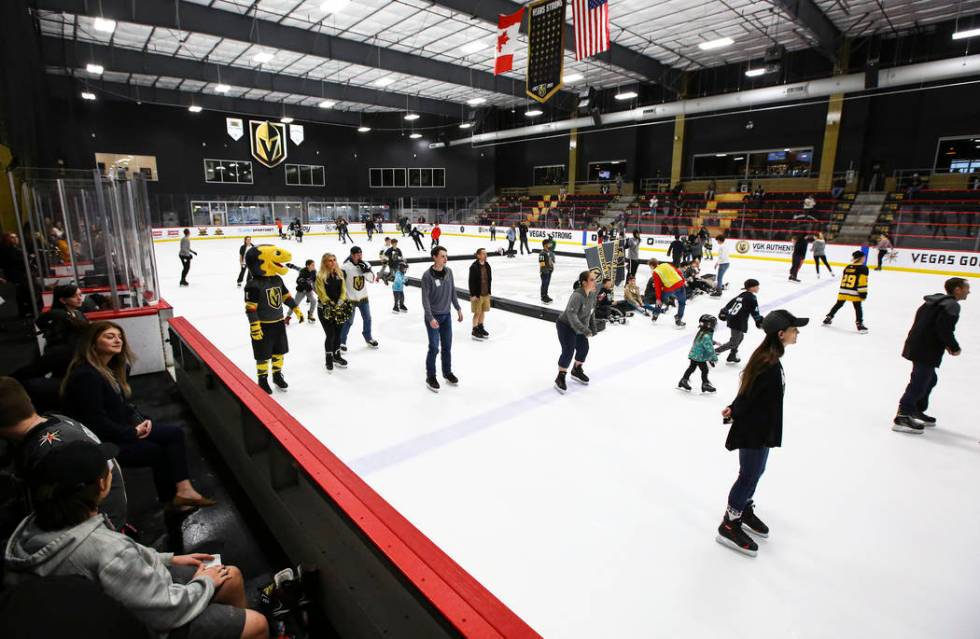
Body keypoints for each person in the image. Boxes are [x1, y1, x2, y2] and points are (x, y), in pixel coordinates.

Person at [4, 441, 269, 639]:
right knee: (258, 624)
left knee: (230, 575)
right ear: (101, 485)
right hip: (149, 623)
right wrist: (204, 583)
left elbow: (121, 564)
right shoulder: (106, 550)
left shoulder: (36, 525)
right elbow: (165, 611)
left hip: (125, 601)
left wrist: (168, 558)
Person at [60, 321, 214, 511]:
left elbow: (121, 407)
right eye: (110, 336)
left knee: (173, 434)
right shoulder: (87, 376)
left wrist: (142, 419)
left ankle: (183, 491)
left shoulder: (110, 369)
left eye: (120, 337)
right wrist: (131, 432)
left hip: (120, 430)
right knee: (157, 451)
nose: (118, 340)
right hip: (104, 442)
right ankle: (172, 500)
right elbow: (95, 422)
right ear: (92, 343)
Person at [717, 309, 808, 557]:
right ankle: (729, 523)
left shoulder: (770, 358)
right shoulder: (767, 362)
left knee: (756, 472)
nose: (797, 333)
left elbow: (749, 391)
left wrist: (735, 407)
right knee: (748, 475)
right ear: (781, 334)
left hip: (762, 427)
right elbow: (748, 394)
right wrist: (735, 410)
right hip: (753, 429)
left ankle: (744, 508)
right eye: (794, 329)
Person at [0, 376, 127, 532]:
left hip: (96, 532)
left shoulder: (48, 456)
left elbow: (55, 514)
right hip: (104, 521)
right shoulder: (57, 419)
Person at [893, 277, 969, 434]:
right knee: (920, 381)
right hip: (927, 348)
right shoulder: (952, 305)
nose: (969, 291)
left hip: (916, 344)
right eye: (966, 288)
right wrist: (953, 347)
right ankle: (903, 415)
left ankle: (914, 409)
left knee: (930, 379)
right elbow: (944, 329)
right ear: (957, 289)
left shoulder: (934, 301)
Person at [243, 244, 304, 393]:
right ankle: (262, 379)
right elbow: (251, 309)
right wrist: (255, 326)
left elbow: (285, 296)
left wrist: (296, 308)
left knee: (279, 351)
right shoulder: (253, 285)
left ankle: (277, 375)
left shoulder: (277, 279)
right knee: (263, 354)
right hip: (263, 325)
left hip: (278, 323)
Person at [421, 246, 463, 393]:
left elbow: (453, 291)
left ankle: (447, 372)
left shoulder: (449, 272)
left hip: (447, 316)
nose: (446, 259)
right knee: (434, 347)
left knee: (447, 347)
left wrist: (458, 308)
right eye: (442, 256)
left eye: (446, 256)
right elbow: (425, 300)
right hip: (433, 318)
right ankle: (430, 376)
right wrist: (430, 318)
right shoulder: (427, 276)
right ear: (434, 257)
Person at [554, 270, 597, 394]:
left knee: (584, 348)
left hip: (579, 326)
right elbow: (571, 315)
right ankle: (560, 376)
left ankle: (576, 370)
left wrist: (592, 328)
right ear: (584, 283)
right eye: (592, 280)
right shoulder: (577, 296)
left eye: (595, 279)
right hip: (566, 325)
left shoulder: (592, 294)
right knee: (569, 350)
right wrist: (584, 330)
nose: (595, 282)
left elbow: (591, 312)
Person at [34, 284, 89, 376]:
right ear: (63, 300)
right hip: (65, 359)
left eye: (80, 294)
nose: (79, 298)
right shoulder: (57, 315)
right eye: (74, 296)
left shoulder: (78, 313)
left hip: (78, 356)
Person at [315, 253, 352, 373]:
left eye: (334, 260)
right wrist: (330, 303)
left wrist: (341, 301)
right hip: (325, 310)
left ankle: (337, 356)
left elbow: (343, 289)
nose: (333, 262)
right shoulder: (320, 276)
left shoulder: (339, 273)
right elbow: (321, 293)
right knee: (330, 335)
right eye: (330, 260)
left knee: (338, 334)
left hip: (339, 308)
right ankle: (329, 358)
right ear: (324, 262)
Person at [340, 247, 379, 352]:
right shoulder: (345, 267)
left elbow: (371, 279)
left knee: (368, 319)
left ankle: (368, 338)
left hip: (363, 298)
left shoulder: (365, 264)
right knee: (348, 321)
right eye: (357, 254)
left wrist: (366, 270)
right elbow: (340, 283)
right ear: (352, 255)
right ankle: (341, 341)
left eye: (361, 254)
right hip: (350, 299)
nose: (360, 256)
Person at [715, 279, 763, 364]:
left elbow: (731, 303)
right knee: (734, 342)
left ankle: (732, 355)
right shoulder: (752, 297)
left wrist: (724, 311)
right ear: (751, 288)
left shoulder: (742, 295)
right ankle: (715, 352)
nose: (758, 288)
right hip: (738, 321)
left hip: (733, 319)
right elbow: (755, 311)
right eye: (757, 286)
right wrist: (759, 320)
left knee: (740, 337)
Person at [823, 251, 870, 333]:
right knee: (858, 307)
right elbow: (862, 282)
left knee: (838, 304)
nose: (864, 259)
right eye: (864, 257)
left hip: (843, 290)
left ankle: (828, 318)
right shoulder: (863, 268)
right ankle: (860, 324)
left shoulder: (848, 267)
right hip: (854, 291)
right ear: (861, 258)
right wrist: (863, 293)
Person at [678, 314, 718, 393]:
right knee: (704, 370)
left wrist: (713, 342)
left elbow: (706, 341)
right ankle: (705, 384)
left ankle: (684, 380)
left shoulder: (702, 331)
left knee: (692, 368)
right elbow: (709, 348)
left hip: (695, 354)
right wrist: (714, 357)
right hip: (699, 356)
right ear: (709, 325)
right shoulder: (706, 335)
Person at [645, 258, 687, 328]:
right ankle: (678, 318)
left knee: (660, 300)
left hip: (669, 288)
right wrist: (683, 280)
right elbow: (678, 271)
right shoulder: (666, 264)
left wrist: (658, 298)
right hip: (680, 284)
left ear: (651, 266)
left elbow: (657, 287)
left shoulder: (655, 272)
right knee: (682, 303)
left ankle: (655, 314)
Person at [467, 248, 491, 341]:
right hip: (477, 294)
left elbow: (489, 279)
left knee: (483, 311)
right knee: (477, 312)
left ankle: (480, 327)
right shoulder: (474, 267)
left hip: (486, 293)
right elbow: (471, 282)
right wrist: (473, 294)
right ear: (478, 255)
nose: (485, 255)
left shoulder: (487, 265)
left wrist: (489, 292)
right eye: (483, 254)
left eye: (486, 254)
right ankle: (474, 329)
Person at [539, 238, 556, 303]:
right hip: (545, 272)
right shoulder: (542, 253)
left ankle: (546, 295)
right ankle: (543, 296)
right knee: (544, 284)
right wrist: (545, 270)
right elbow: (541, 262)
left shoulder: (549, 252)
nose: (550, 244)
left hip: (549, 271)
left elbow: (552, 261)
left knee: (547, 284)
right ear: (545, 245)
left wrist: (551, 268)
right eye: (549, 243)